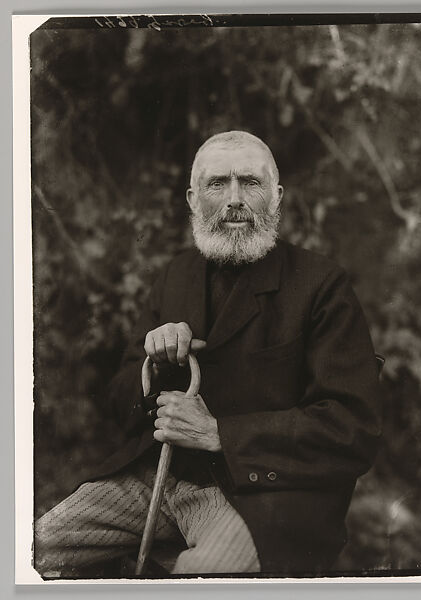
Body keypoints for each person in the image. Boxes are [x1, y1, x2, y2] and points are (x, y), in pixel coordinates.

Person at [34, 131, 382, 577]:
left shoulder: (321, 285)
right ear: (193, 199)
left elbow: (353, 429)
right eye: (218, 184)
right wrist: (152, 366)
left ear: (276, 197)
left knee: (200, 580)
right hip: (158, 477)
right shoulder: (175, 275)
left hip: (260, 498)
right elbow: (118, 401)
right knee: (35, 549)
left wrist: (220, 433)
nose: (234, 199)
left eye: (250, 184)